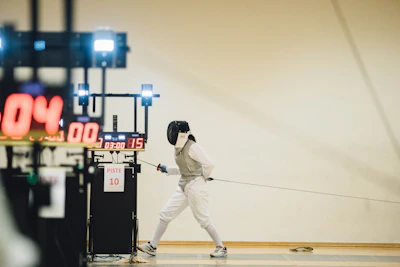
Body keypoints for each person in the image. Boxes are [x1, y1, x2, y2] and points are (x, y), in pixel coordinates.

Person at [139, 121, 227, 257]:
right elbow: (184, 169)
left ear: (181, 134)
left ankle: (221, 247)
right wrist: (167, 169)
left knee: (203, 219)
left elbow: (210, 164)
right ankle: (152, 246)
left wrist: (204, 176)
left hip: (196, 186)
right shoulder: (179, 148)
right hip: (183, 185)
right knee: (165, 214)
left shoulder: (193, 147)